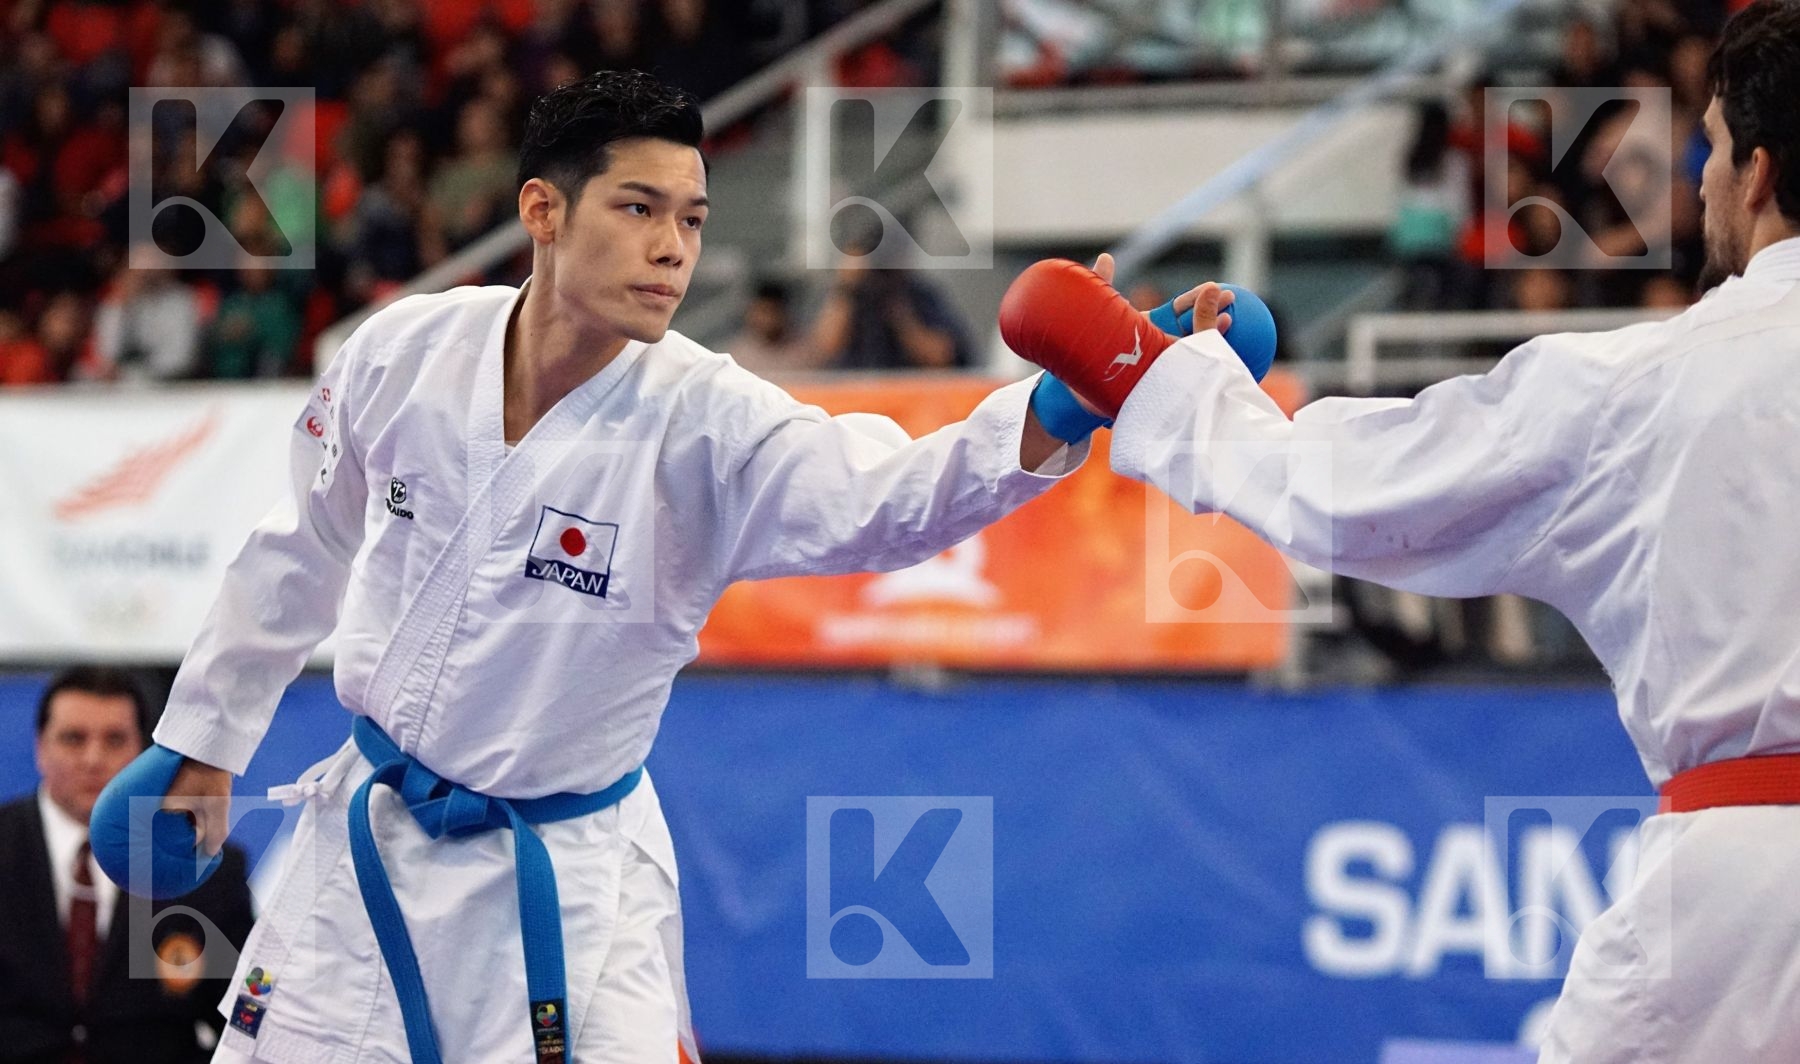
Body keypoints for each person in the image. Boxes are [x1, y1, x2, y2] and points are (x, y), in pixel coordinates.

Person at [137, 70, 1111, 1064]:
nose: (672, 248)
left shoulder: (707, 420)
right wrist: (205, 736)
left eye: (691, 219)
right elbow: (299, 543)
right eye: (639, 208)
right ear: (542, 210)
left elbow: (886, 499)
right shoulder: (404, 352)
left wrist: (1058, 407)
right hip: (370, 847)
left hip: (570, 879)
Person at [1005, 4, 1800, 1059]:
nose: (1696, 175)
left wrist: (1154, 379)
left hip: (1735, 909)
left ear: (1758, 172)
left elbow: (1350, 492)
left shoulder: (1650, 385)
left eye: (1709, 145)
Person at [0, 667, 255, 1064]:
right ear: (40, 748)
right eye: (73, 738)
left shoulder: (202, 866)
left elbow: (244, 1016)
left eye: (115, 739)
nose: (93, 758)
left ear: (141, 752)